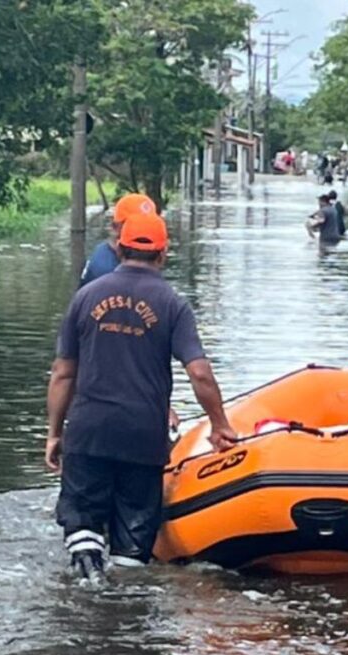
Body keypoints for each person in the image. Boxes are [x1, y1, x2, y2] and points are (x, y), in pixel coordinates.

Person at [47, 211, 237, 580]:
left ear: (119, 248)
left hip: (89, 432)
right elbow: (198, 372)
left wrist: (55, 433)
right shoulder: (173, 304)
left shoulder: (85, 297)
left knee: (82, 524)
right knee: (132, 551)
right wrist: (219, 425)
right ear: (163, 254)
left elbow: (63, 373)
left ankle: (88, 575)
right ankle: (123, 604)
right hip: (143, 438)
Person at [79, 193, 157, 287]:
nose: (144, 231)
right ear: (115, 227)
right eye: (134, 225)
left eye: (149, 225)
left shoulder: (111, 254)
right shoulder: (107, 271)